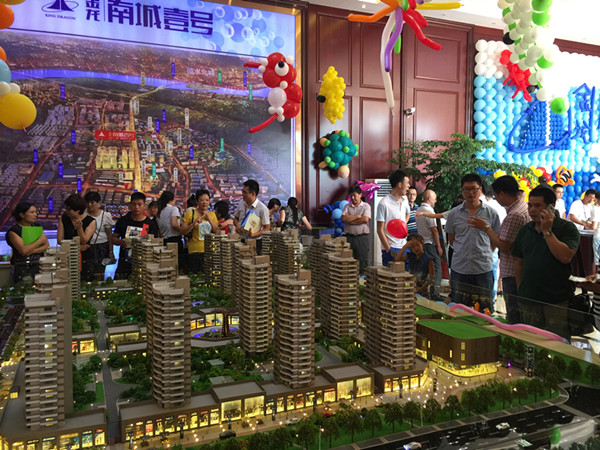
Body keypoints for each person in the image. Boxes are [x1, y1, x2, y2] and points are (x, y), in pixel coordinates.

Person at [512, 185, 580, 339]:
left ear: (551, 207)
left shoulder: (566, 228)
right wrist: (521, 291)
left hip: (556, 301)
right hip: (529, 299)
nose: (532, 210)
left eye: (537, 206)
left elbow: (565, 256)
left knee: (556, 344)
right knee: (530, 341)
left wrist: (547, 231)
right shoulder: (525, 230)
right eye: (530, 205)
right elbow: (519, 262)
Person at [467, 176, 530, 323]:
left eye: (495, 195)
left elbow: (504, 245)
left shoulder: (514, 214)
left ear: (502, 194)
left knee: (515, 317)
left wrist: (486, 228)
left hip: (513, 271)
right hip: (521, 269)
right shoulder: (523, 207)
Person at [446, 173, 501, 310]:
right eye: (467, 189)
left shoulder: (491, 213)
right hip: (460, 267)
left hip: (483, 267)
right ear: (462, 191)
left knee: (485, 309)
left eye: (474, 189)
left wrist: (484, 252)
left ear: (480, 189)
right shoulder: (454, 213)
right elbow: (452, 239)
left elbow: (495, 240)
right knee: (458, 308)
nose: (471, 193)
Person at [113, 192, 160, 280]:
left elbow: (155, 243)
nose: (136, 207)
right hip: (124, 262)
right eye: (134, 204)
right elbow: (113, 238)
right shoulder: (123, 221)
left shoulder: (149, 224)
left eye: (139, 204)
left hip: (143, 263)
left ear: (144, 206)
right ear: (130, 205)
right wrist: (120, 242)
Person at [6, 202, 49, 283]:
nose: (35, 215)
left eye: (36, 212)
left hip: (39, 265)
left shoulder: (36, 226)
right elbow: (23, 251)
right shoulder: (14, 231)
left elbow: (46, 245)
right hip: (23, 267)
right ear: (22, 215)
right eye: (32, 212)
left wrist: (31, 250)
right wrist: (39, 241)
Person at [58, 194, 97, 280]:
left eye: (69, 209)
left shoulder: (91, 221)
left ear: (78, 210)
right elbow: (59, 240)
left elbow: (84, 241)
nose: (66, 211)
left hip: (84, 257)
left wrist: (79, 228)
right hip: (67, 255)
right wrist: (77, 247)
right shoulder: (64, 218)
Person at [376, 169, 411, 267]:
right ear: (399, 184)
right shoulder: (384, 203)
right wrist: (388, 249)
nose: (409, 186)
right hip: (392, 247)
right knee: (390, 275)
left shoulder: (405, 200)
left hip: (404, 246)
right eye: (407, 183)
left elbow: (408, 213)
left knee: (405, 274)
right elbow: (379, 229)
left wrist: (402, 225)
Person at [182, 189, 218, 273]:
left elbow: (217, 231)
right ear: (197, 201)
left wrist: (209, 218)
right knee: (195, 276)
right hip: (194, 251)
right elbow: (182, 231)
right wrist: (193, 224)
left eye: (207, 200)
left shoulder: (212, 214)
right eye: (202, 200)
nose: (204, 202)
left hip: (209, 251)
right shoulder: (190, 214)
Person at [416, 190, 443, 300]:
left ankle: (421, 292)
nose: (435, 201)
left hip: (421, 244)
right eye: (434, 198)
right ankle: (435, 293)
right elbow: (434, 230)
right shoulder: (429, 211)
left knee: (424, 269)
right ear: (429, 198)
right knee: (436, 269)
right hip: (430, 244)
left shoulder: (419, 210)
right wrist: (439, 246)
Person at [84, 191, 115, 281]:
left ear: (98, 203)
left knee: (99, 273)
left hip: (102, 247)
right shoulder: (83, 215)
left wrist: (111, 251)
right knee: (86, 273)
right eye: (88, 202)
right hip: (87, 247)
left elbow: (109, 235)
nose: (89, 205)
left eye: (92, 202)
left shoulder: (105, 216)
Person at [233, 179, 270, 254]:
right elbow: (235, 219)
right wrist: (237, 225)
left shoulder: (262, 208)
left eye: (245, 192)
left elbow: (267, 229)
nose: (242, 194)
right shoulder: (241, 203)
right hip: (241, 239)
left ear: (253, 193)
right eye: (242, 191)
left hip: (255, 241)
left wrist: (253, 234)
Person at [342, 185, 371, 275]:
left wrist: (350, 221)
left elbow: (365, 219)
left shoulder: (366, 206)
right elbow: (343, 218)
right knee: (349, 260)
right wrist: (358, 216)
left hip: (362, 238)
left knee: (362, 260)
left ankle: (362, 279)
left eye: (354, 195)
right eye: (351, 196)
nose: (352, 198)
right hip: (349, 237)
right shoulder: (347, 206)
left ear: (360, 195)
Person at [156, 191, 186, 268]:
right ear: (172, 200)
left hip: (164, 241)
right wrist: (182, 230)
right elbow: (174, 224)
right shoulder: (173, 209)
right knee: (177, 266)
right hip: (174, 241)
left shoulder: (159, 212)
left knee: (167, 266)